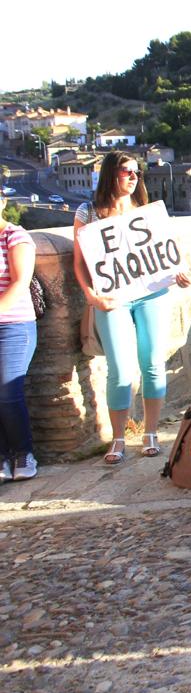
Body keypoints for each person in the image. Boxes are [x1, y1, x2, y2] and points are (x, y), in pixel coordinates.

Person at [72, 151, 191, 465]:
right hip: (111, 299)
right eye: (126, 171)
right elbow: (80, 263)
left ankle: (151, 432)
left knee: (152, 363)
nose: (132, 177)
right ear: (110, 174)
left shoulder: (145, 213)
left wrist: (179, 275)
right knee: (120, 370)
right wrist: (92, 298)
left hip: (150, 295)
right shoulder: (88, 212)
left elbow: (167, 255)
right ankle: (119, 438)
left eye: (136, 172)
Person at [0, 197, 37, 481]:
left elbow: (19, 281)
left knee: (8, 393)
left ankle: (23, 453)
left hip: (13, 325)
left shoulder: (15, 236)